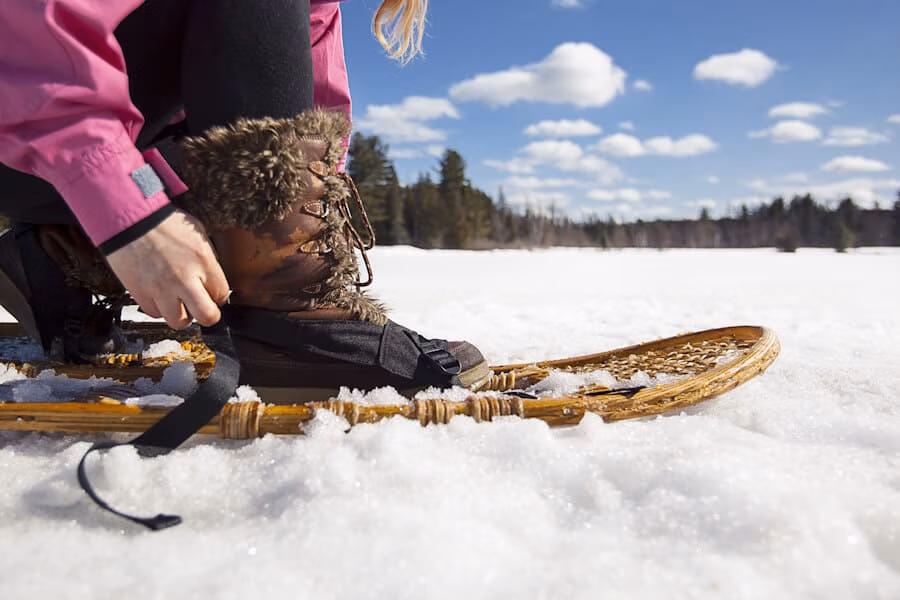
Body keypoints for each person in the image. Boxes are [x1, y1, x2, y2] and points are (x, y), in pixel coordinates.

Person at [0, 0, 489, 399]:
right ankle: (287, 322)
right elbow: (29, 32)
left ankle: (54, 249)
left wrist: (293, 240)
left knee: (244, 175)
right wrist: (131, 212)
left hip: (47, 158)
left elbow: (303, 119)